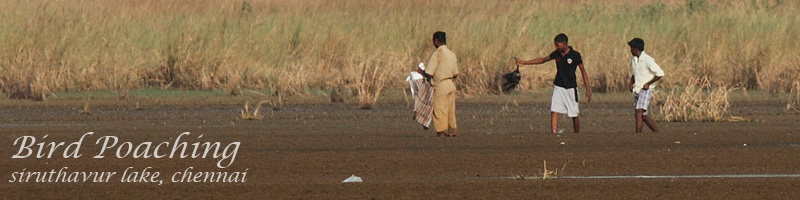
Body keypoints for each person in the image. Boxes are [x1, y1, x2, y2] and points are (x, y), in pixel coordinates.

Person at [516, 33, 591, 134]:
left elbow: (583, 72)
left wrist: (588, 89)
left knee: (574, 114)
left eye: (557, 45)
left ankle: (577, 135)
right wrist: (524, 63)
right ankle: (554, 133)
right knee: (554, 111)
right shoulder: (557, 53)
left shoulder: (575, 55)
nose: (556, 47)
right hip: (558, 86)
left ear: (564, 44)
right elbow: (543, 60)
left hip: (570, 88)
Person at [417, 31, 459, 137]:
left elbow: (429, 73)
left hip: (440, 85)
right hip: (450, 85)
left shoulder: (437, 54)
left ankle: (442, 131)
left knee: (439, 109)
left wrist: (420, 72)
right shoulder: (451, 54)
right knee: (450, 110)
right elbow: (455, 74)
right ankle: (452, 131)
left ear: (436, 41)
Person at [627, 38, 664, 133]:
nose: (630, 50)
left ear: (636, 49)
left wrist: (648, 83)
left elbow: (660, 73)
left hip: (645, 90)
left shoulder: (648, 60)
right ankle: (657, 133)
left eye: (631, 48)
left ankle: (638, 136)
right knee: (642, 115)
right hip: (637, 90)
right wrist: (631, 82)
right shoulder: (634, 60)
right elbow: (636, 73)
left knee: (638, 112)